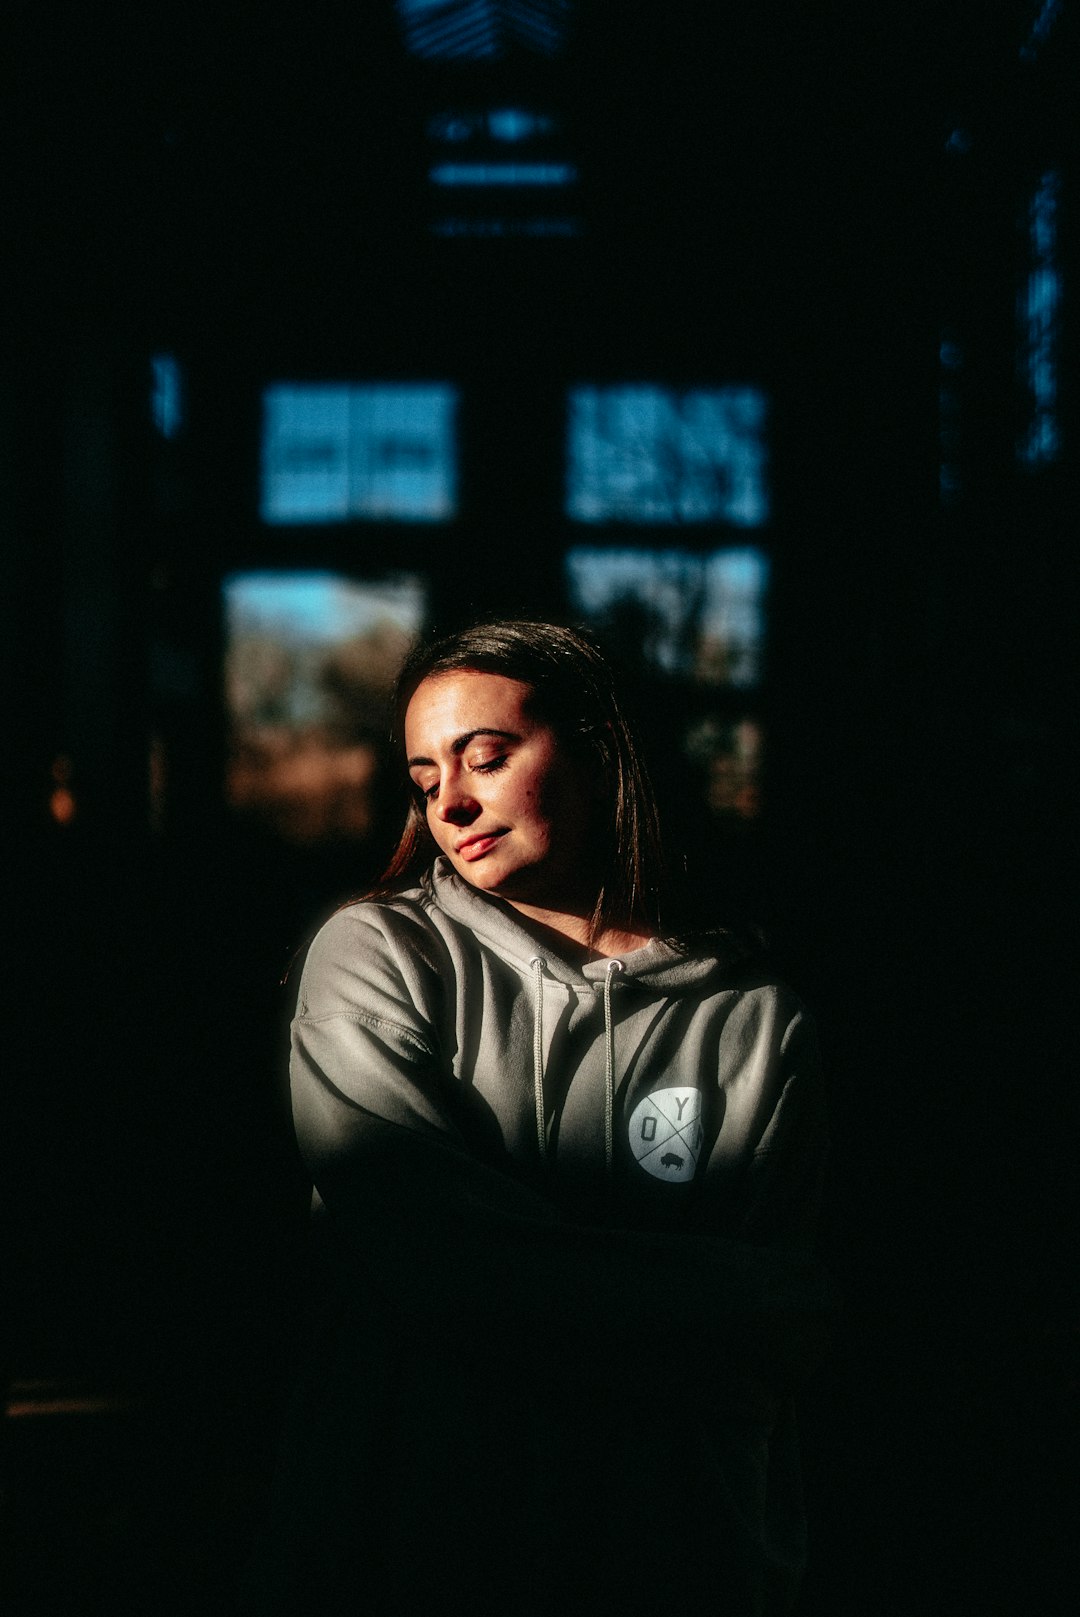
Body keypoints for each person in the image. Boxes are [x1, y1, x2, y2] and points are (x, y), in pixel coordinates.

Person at [245, 620, 831, 1617]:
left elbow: (785, 1324)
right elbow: (436, 1259)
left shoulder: (754, 1003)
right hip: (422, 1537)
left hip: (682, 1544)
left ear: (602, 746)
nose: (453, 803)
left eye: (487, 756)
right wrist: (718, 1300)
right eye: (426, 779)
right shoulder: (376, 958)